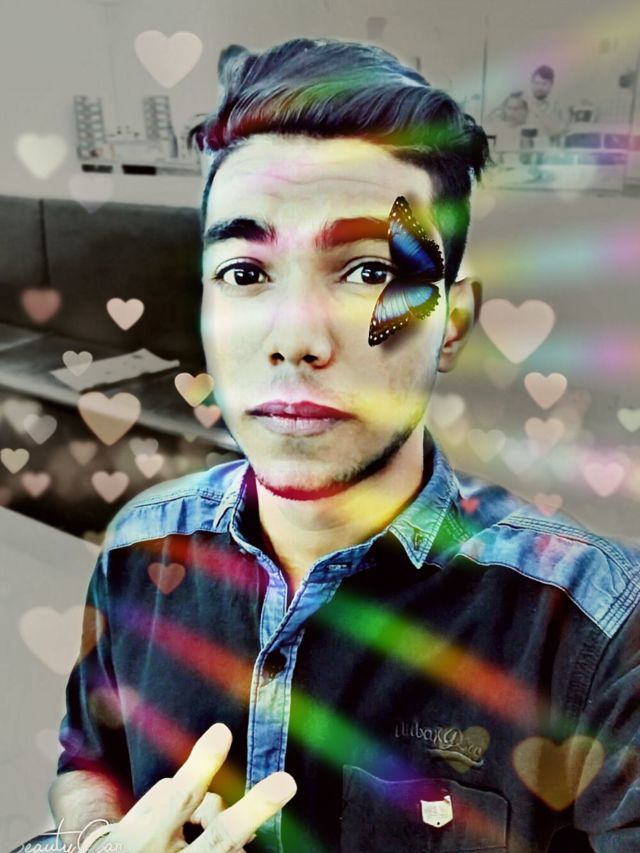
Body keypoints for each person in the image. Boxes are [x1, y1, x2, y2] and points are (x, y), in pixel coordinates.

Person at [45, 38, 640, 853]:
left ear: (452, 322)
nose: (295, 337)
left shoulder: (596, 628)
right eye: (246, 273)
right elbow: (87, 760)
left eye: (368, 271)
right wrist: (92, 839)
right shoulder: (139, 547)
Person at [527, 64, 569, 148]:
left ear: (551, 85)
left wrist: (537, 111)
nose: (539, 87)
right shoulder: (521, 104)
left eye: (544, 84)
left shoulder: (559, 106)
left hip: (550, 151)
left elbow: (560, 130)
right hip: (525, 149)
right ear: (531, 83)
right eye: (536, 83)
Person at [485, 91, 530, 165]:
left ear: (524, 110)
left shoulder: (528, 130)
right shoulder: (494, 128)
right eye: (509, 108)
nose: (512, 112)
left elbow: (527, 158)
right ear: (504, 109)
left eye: (516, 109)